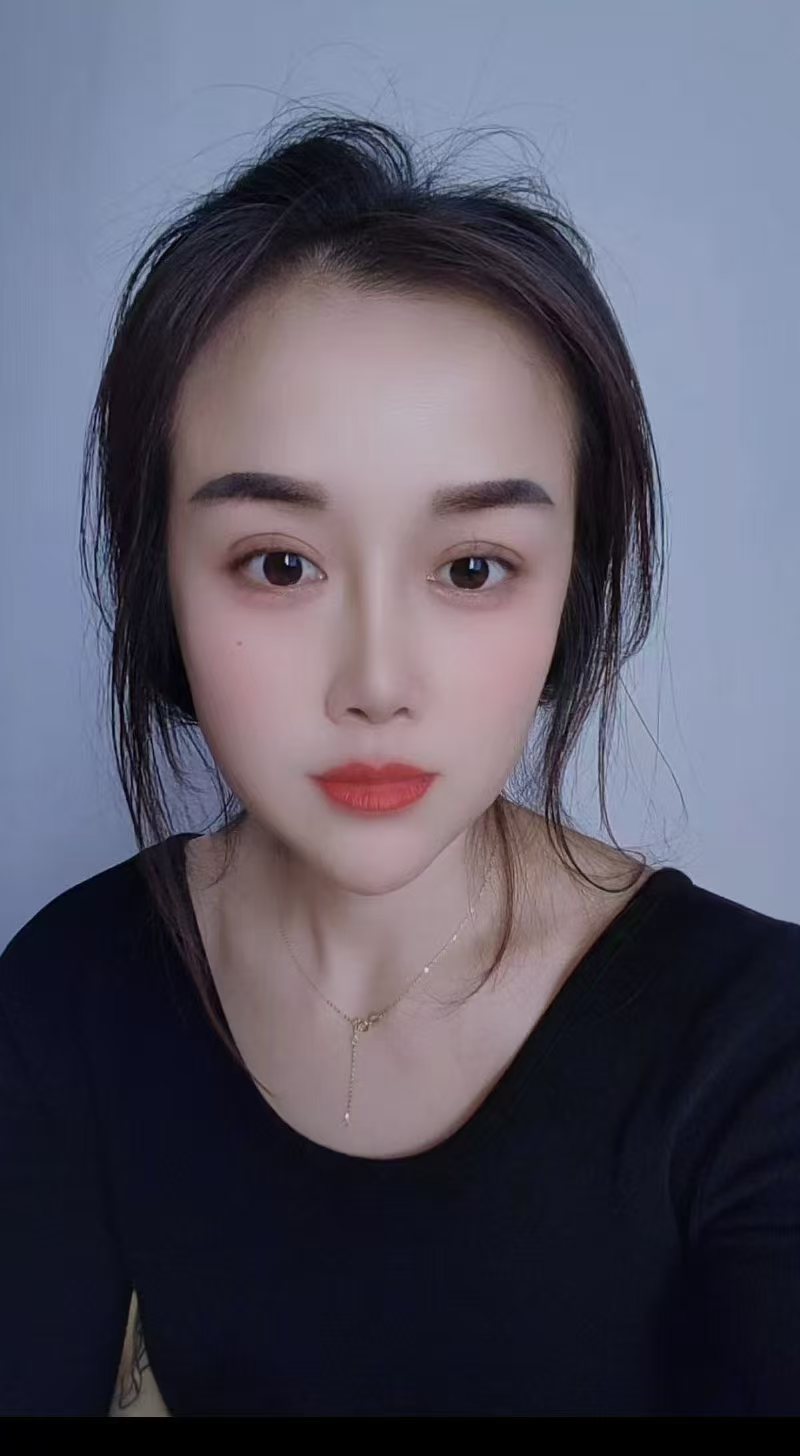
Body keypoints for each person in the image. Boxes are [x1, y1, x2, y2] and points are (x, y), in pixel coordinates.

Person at [2, 108, 798, 1419]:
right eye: (279, 563)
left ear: (574, 592)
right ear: (159, 588)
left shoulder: (758, 1048)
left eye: (472, 569)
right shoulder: (63, 1000)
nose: (377, 682)